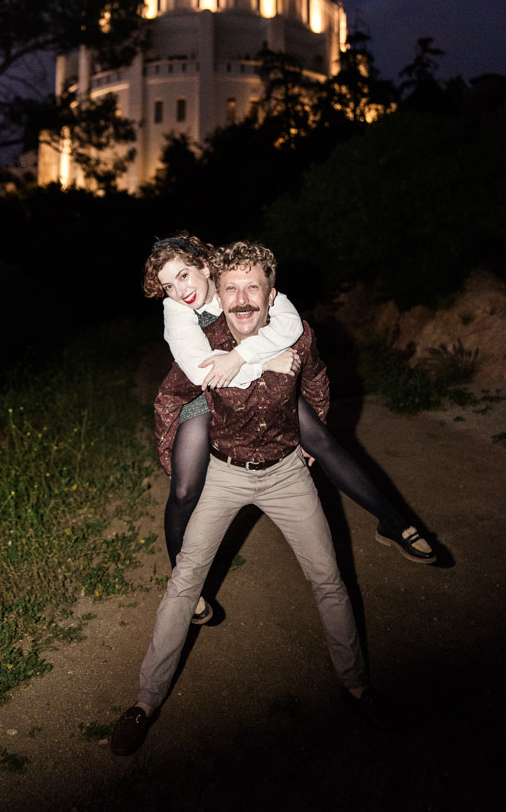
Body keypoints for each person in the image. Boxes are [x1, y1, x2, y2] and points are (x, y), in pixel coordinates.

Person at [112, 241, 393, 755]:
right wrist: (249, 363)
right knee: (183, 582)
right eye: (170, 285)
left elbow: (316, 380)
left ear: (269, 296)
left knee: (327, 576)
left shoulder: (287, 327)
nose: (240, 300)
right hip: (223, 471)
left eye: (252, 291)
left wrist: (316, 430)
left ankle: (357, 686)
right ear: (218, 292)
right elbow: (186, 383)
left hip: (286, 473)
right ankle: (145, 701)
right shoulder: (191, 321)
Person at [142, 233, 435, 625]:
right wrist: (264, 363)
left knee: (322, 441)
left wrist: (248, 355)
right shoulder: (176, 310)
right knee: (183, 488)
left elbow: (292, 327)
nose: (180, 290)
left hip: (261, 389)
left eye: (184, 276)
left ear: (205, 266)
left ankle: (395, 524)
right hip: (206, 392)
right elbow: (202, 371)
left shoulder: (239, 282)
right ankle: (183, 583)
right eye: (168, 285)